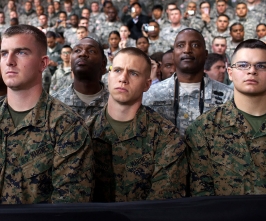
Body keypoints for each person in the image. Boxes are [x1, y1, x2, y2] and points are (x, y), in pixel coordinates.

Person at [0, 25, 93, 204]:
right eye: (4, 53)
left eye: (21, 52)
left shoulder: (68, 126)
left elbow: (68, 207)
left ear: (43, 63)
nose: (9, 61)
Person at [87, 47, 187, 202]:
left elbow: (164, 204)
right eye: (117, 70)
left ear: (147, 84)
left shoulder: (167, 137)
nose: (123, 78)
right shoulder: (83, 131)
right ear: (108, 76)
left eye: (133, 73)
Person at [186, 39, 266, 196]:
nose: (252, 71)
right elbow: (201, 197)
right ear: (230, 72)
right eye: (243, 65)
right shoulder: (204, 128)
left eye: (261, 66)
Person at [143, 29, 233, 135]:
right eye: (180, 45)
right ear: (173, 55)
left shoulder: (228, 97)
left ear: (205, 54)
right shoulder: (150, 95)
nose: (187, 50)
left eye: (195, 45)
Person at [53, 37, 109, 120]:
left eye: (91, 51)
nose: (82, 54)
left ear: (103, 64)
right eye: (77, 50)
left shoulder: (115, 103)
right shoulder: (54, 103)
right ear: (71, 63)